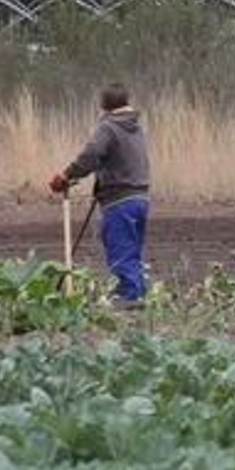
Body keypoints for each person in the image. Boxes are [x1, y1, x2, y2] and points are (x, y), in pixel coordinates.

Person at [48, 82, 151, 305]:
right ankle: (139, 291)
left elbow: (92, 154)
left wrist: (66, 175)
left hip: (120, 199)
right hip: (141, 198)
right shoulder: (136, 127)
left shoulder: (109, 127)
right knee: (132, 250)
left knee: (121, 249)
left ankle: (130, 296)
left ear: (104, 106)